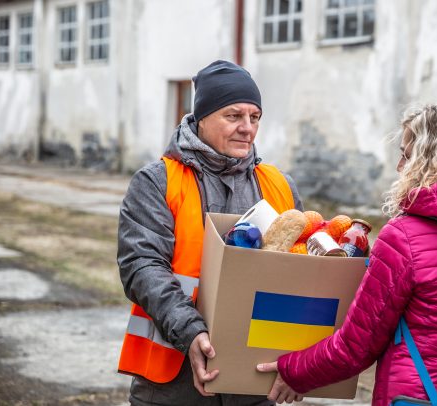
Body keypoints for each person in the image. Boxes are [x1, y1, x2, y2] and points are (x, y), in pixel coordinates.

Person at [257, 103, 437, 405]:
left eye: (406, 154)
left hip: (420, 396)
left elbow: (355, 347)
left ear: (429, 158)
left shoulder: (405, 237)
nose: (400, 166)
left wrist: (292, 371)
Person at [117, 60, 303, 406]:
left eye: (255, 117)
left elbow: (301, 277)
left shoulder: (280, 186)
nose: (247, 128)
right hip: (173, 383)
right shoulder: (158, 181)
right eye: (233, 116)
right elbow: (142, 267)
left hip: (255, 383)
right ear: (200, 118)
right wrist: (191, 332)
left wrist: (303, 363)